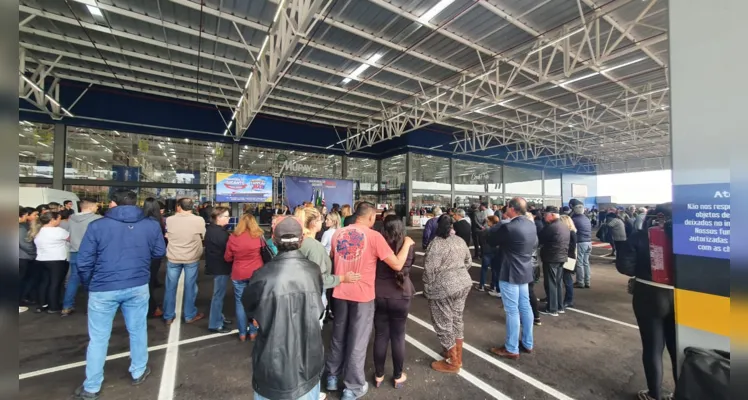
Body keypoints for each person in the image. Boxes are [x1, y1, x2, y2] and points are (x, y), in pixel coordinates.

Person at [74, 190, 166, 400]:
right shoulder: (150, 225)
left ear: (113, 203)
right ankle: (138, 370)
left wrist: (90, 284)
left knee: (98, 338)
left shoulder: (97, 226)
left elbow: (84, 261)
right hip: (138, 284)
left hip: (103, 287)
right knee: (137, 329)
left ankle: (92, 387)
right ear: (136, 203)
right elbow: (159, 252)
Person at [325, 203, 414, 400]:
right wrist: (407, 243)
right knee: (358, 341)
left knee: (338, 336)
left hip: (339, 292)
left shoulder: (338, 234)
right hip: (362, 296)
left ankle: (331, 376)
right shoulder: (374, 237)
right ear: (372, 217)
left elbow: (333, 257)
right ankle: (352, 387)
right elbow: (398, 264)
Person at [245, 217, 326, 400]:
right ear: (301, 240)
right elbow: (319, 309)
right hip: (309, 363)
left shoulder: (261, 275)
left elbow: (251, 310)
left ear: (273, 240)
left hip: (271, 368)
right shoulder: (313, 271)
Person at [618, 204, 676, 400]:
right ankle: (681, 392)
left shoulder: (641, 236)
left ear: (658, 216)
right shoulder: (690, 236)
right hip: (681, 296)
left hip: (649, 293)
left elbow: (625, 266)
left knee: (653, 346)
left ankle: (655, 393)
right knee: (678, 348)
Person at [423, 215, 472, 374]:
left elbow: (429, 271)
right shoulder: (459, 240)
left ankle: (453, 361)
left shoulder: (435, 244)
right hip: (463, 284)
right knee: (457, 319)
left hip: (443, 288)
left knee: (443, 323)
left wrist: (428, 288)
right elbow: (468, 262)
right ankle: (457, 355)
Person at [297, 207, 360, 331]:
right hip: (312, 297)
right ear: (314, 223)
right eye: (321, 219)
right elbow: (319, 278)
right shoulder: (314, 246)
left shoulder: (300, 241)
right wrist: (343, 278)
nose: (323, 222)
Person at [489, 197, 536, 360]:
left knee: (512, 310)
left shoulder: (509, 227)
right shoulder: (531, 224)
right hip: (524, 269)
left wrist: (499, 224)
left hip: (509, 271)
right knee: (525, 306)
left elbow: (490, 239)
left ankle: (511, 348)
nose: (505, 209)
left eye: (507, 207)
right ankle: (528, 343)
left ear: (512, 209)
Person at [373, 215, 415, 388]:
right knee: (398, 336)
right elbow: (406, 265)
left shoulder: (378, 242)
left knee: (381, 335)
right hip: (401, 294)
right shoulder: (408, 243)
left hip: (380, 293)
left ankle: (379, 376)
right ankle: (398, 376)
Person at [163, 198, 207, 325]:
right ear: (192, 207)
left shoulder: (170, 220)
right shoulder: (199, 220)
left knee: (170, 287)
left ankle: (168, 316)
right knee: (190, 287)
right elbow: (203, 236)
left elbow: (167, 235)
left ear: (178, 207)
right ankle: (189, 315)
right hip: (191, 258)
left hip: (173, 257)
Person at [224, 213, 265, 341]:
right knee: (255, 302)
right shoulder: (258, 237)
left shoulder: (233, 238)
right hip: (256, 274)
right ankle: (253, 332)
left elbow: (227, 257)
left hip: (239, 273)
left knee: (240, 303)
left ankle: (242, 333)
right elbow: (264, 253)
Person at [61, 198, 102, 317]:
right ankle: (90, 308)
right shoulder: (97, 219)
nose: (97, 208)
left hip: (74, 252)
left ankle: (66, 306)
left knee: (73, 279)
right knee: (91, 280)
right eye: (95, 206)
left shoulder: (72, 219)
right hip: (91, 253)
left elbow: (68, 236)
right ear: (90, 207)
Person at [32, 212, 69, 314]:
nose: (59, 221)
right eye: (58, 219)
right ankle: (53, 306)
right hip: (56, 260)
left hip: (40, 259)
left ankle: (42, 304)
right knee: (55, 283)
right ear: (52, 220)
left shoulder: (39, 231)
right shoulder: (59, 231)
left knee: (44, 283)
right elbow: (70, 239)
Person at [204, 206, 233, 334]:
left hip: (216, 266)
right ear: (219, 218)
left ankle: (219, 318)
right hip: (220, 267)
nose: (229, 218)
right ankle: (215, 324)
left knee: (218, 295)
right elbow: (227, 250)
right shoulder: (220, 234)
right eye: (227, 216)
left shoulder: (212, 230)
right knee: (218, 296)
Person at [538, 207, 570, 317]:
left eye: (545, 215)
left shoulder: (551, 227)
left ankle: (552, 308)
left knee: (551, 283)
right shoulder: (564, 226)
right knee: (558, 282)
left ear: (551, 215)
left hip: (551, 257)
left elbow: (540, 238)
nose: (544, 217)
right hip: (561, 257)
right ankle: (559, 306)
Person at [569, 199, 592, 289]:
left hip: (580, 242)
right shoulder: (586, 218)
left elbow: (570, 228)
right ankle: (587, 281)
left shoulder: (574, 219)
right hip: (588, 242)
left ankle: (580, 282)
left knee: (579, 263)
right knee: (586, 263)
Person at [19, 207, 37, 313]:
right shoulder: (20, 229)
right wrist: (34, 253)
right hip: (23, 257)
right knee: (20, 281)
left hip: (21, 257)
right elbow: (24, 243)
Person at [476, 215, 499, 292]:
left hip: (487, 251)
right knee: (494, 270)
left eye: (488, 221)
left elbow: (481, 240)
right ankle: (493, 286)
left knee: (484, 269)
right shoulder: (500, 230)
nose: (487, 222)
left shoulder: (487, 230)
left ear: (491, 221)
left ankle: (481, 285)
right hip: (496, 251)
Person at [559, 215, 577, 309]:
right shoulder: (570, 232)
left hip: (569, 258)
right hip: (567, 257)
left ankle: (569, 300)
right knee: (563, 279)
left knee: (567, 280)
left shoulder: (571, 233)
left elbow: (571, 248)